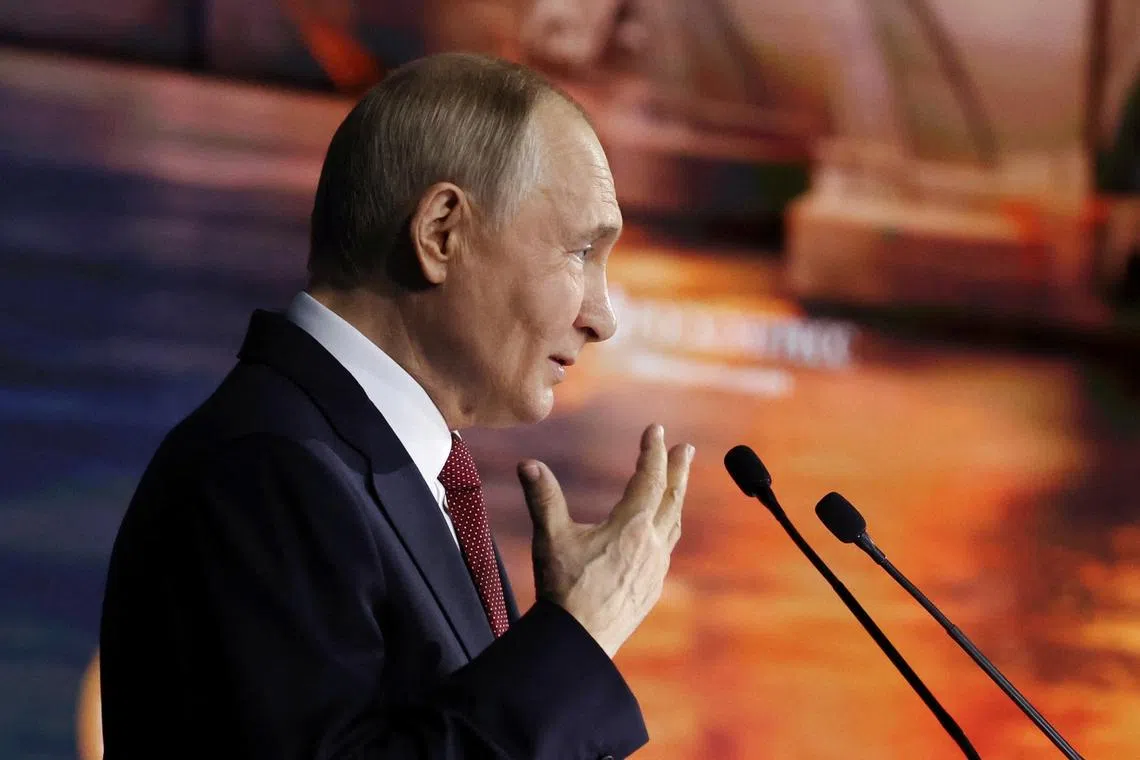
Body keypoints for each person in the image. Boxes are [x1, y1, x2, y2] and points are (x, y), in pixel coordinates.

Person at [99, 52, 694, 759]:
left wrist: (557, 640)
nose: (603, 317)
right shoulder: (267, 470)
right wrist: (578, 639)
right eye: (580, 252)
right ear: (440, 232)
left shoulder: (390, 477)